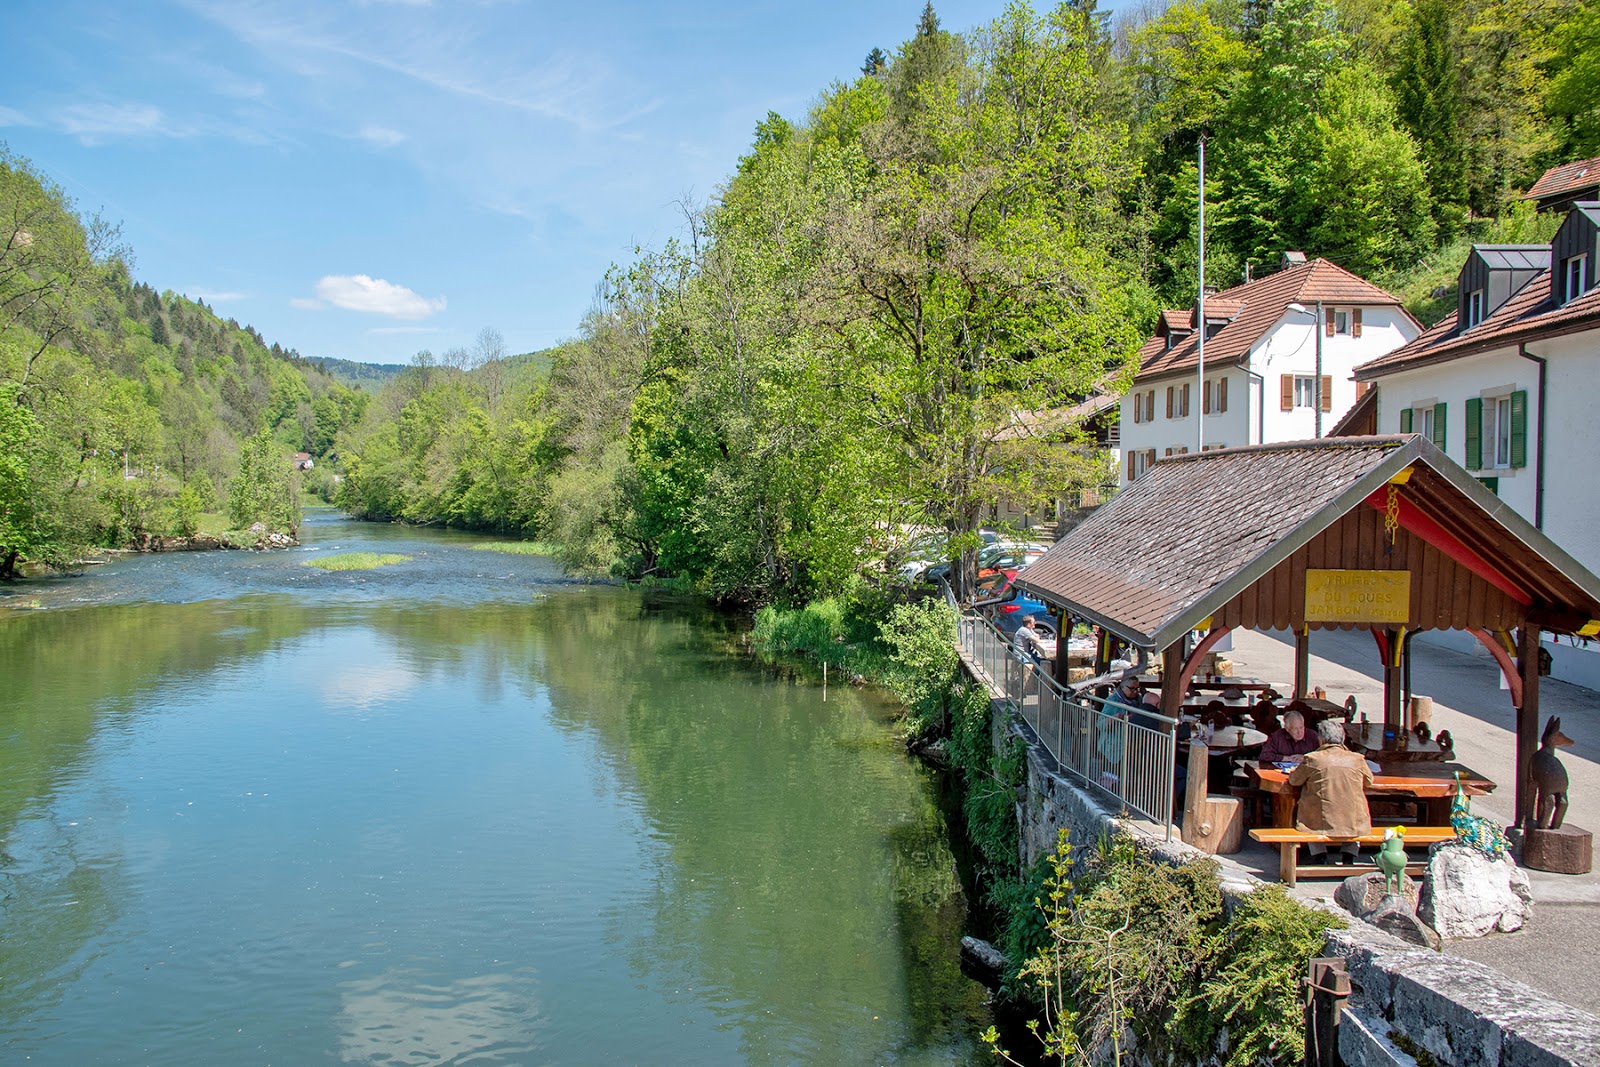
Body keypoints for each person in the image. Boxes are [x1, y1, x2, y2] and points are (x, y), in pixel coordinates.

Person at [1285, 718, 1375, 864]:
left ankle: (1320, 855)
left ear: (1321, 739)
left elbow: (1294, 780)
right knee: (1356, 813)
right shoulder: (1357, 759)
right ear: (1342, 739)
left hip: (1321, 820)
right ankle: (1349, 856)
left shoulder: (1313, 759)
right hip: (1353, 820)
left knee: (1308, 814)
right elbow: (1369, 781)